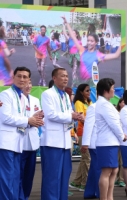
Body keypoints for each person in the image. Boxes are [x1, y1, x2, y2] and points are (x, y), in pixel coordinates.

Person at [0, 67, 44, 199]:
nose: (22, 79)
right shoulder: (5, 95)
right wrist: (29, 120)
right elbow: (6, 117)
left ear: (29, 80)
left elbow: (23, 119)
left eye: (25, 77)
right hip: (6, 142)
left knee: (14, 178)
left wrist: (33, 119)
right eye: (19, 76)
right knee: (7, 178)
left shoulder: (22, 98)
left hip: (18, 142)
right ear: (13, 78)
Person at [40, 68, 83, 199]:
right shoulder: (47, 94)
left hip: (64, 141)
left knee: (64, 175)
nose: (65, 78)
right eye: (62, 76)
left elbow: (68, 112)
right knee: (52, 176)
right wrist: (71, 116)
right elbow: (51, 115)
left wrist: (75, 116)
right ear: (54, 78)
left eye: (66, 76)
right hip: (52, 142)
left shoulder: (65, 95)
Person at [62, 17, 122, 87]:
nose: (89, 43)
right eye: (88, 40)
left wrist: (124, 40)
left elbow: (116, 55)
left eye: (92, 41)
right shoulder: (82, 50)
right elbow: (73, 36)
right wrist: (66, 22)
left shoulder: (98, 55)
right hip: (82, 82)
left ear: (96, 42)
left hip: (92, 84)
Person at [94, 78, 127, 200]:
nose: (114, 90)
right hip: (106, 143)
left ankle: (109, 197)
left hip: (111, 142)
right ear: (105, 90)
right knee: (107, 172)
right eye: (112, 88)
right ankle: (104, 198)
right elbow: (113, 123)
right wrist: (122, 135)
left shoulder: (106, 104)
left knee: (114, 170)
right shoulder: (104, 104)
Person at [19, 79, 43, 200]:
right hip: (19, 142)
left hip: (32, 143)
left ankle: (26, 196)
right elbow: (16, 119)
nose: (28, 86)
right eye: (26, 83)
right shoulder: (15, 99)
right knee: (19, 174)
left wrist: (38, 119)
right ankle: (19, 196)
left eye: (30, 83)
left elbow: (37, 117)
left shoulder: (35, 100)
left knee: (29, 174)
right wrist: (30, 120)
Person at [69, 83, 92, 191]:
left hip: (90, 131)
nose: (89, 92)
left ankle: (77, 182)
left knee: (84, 159)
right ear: (81, 92)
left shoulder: (89, 102)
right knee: (87, 158)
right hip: (83, 132)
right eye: (87, 90)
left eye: (90, 90)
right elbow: (81, 117)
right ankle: (85, 183)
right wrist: (91, 122)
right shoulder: (78, 102)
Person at [81, 98, 101, 199]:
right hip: (96, 142)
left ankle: (90, 192)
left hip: (102, 142)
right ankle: (100, 193)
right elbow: (88, 125)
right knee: (99, 168)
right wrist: (85, 143)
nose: (113, 91)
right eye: (112, 88)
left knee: (95, 168)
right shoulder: (93, 107)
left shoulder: (108, 106)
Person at [115, 97, 126, 187]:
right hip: (116, 139)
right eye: (123, 102)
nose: (124, 104)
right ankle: (116, 178)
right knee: (117, 160)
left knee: (122, 160)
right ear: (119, 103)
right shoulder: (116, 113)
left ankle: (120, 179)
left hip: (124, 139)